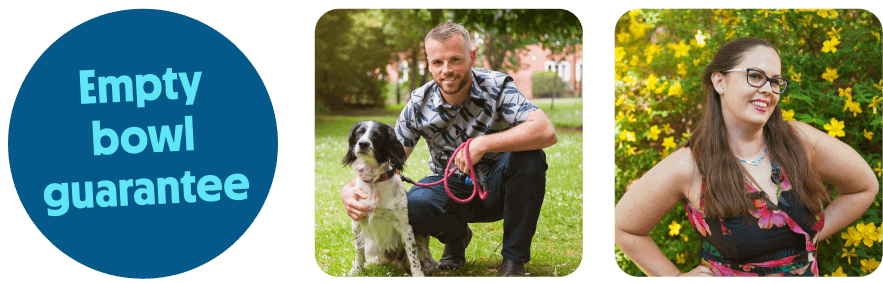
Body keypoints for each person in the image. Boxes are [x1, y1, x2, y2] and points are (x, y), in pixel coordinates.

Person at [613, 37, 879, 277]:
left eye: (775, 81)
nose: (768, 89)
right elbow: (622, 227)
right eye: (755, 76)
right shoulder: (690, 165)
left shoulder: (800, 141)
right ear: (720, 81)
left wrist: (811, 235)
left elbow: (864, 187)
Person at [340, 22, 558, 277]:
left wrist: (482, 144)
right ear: (429, 63)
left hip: (502, 186)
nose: (446, 70)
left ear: (472, 57)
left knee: (531, 156)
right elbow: (389, 158)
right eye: (437, 62)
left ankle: (513, 260)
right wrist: (350, 189)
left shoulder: (498, 87)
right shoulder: (418, 103)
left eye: (455, 59)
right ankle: (456, 237)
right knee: (415, 205)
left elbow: (546, 131)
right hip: (449, 187)